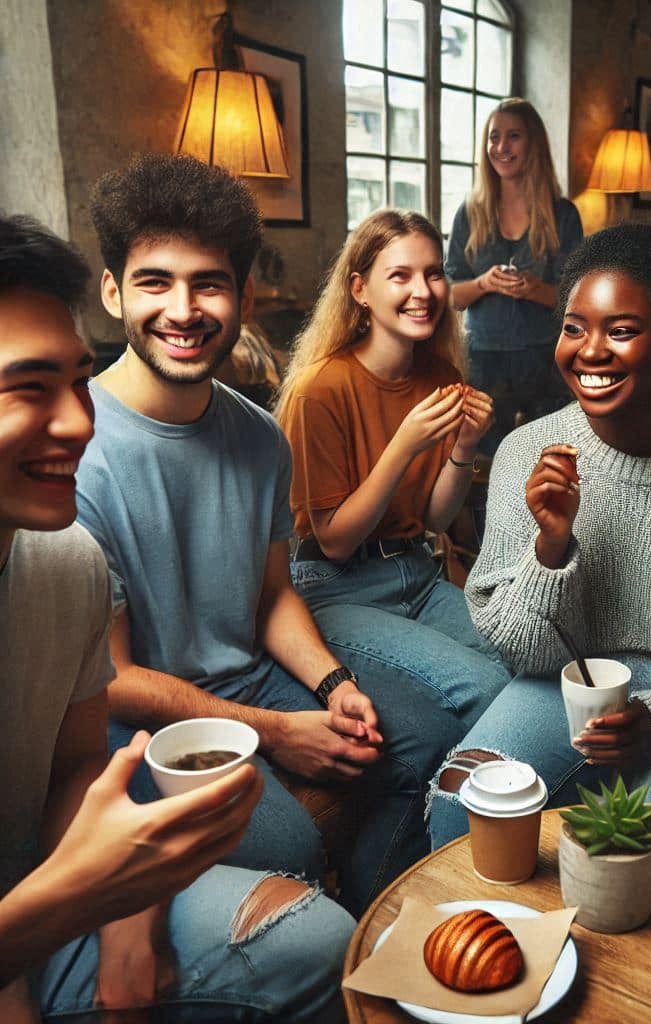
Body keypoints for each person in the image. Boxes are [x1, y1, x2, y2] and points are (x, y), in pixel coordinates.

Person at [0, 214, 348, 1023]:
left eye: (75, 381)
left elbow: (76, 771)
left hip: (44, 883)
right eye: (27, 387)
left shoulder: (65, 564)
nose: (78, 423)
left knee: (321, 939)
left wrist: (125, 912)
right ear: (120, 293)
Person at [76, 154, 423, 914]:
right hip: (140, 720)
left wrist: (334, 685)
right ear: (112, 293)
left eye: (208, 282)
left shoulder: (261, 436)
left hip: (253, 677)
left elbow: (271, 597)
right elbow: (113, 678)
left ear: (244, 295)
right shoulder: (77, 451)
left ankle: (379, 933)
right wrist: (273, 732)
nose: (183, 308)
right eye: (154, 281)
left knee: (417, 738)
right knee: (291, 845)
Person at [428, 224, 651, 847]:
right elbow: (521, 653)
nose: (590, 351)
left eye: (621, 331)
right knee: (460, 800)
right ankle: (479, 938)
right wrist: (550, 548)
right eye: (574, 327)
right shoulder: (526, 454)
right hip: (559, 688)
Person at [275, 209, 511, 849]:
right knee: (484, 687)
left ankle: (488, 830)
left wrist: (463, 447)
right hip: (336, 587)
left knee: (519, 661)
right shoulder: (321, 390)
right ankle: (455, 844)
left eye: (433, 273)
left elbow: (435, 517)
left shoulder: (440, 378)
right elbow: (335, 539)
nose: (423, 291)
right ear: (360, 290)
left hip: (417, 571)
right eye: (399, 274)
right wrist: (405, 444)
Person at [446, 97, 583, 455]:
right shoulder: (469, 212)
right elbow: (448, 295)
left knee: (544, 460)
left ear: (533, 143)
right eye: (494, 137)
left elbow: (578, 299)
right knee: (484, 463)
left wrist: (536, 289)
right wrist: (483, 284)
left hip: (544, 360)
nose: (501, 147)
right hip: (482, 361)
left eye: (513, 136)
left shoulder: (563, 215)